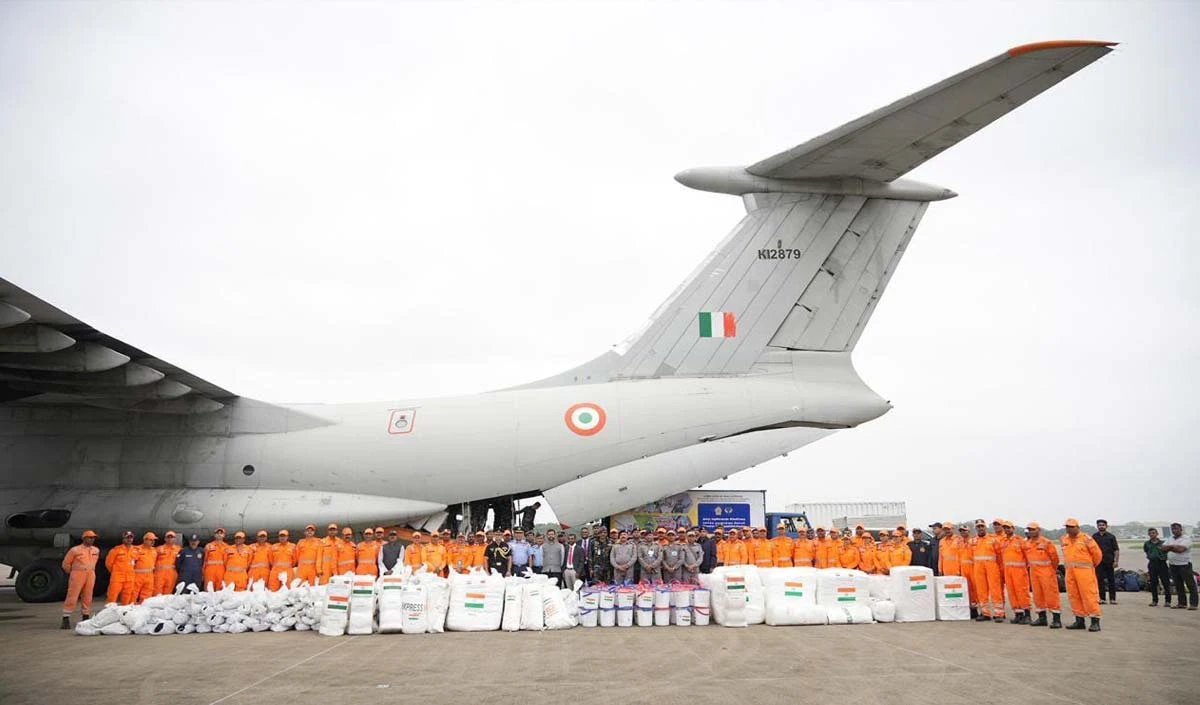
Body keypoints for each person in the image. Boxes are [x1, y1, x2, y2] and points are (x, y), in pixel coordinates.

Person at [1061, 518, 1103, 630]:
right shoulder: (1064, 539)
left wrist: (1089, 566)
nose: (1068, 529)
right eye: (1067, 527)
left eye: (1071, 527)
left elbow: (1097, 555)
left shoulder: (1086, 539)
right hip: (1070, 572)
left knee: (1089, 595)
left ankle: (1095, 621)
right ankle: (1079, 620)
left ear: (1077, 527)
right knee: (1074, 595)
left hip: (1084, 572)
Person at [1023, 522, 1062, 628]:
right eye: (1029, 530)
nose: (1031, 531)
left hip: (1046, 572)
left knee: (1051, 595)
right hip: (1034, 572)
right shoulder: (1027, 543)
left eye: (1033, 529)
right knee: (1037, 595)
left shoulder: (1046, 542)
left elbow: (1055, 559)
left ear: (1038, 530)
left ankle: (1056, 619)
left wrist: (1051, 569)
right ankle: (1042, 617)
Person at [60, 530, 100, 628]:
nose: (92, 539)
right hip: (78, 574)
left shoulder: (95, 550)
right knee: (72, 595)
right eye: (90, 537)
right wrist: (72, 572)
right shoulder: (75, 550)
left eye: (93, 538)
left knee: (88, 595)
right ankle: (66, 617)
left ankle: (86, 616)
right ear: (84, 538)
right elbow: (66, 564)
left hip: (90, 573)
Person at [970, 520, 1004, 622]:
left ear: (985, 527)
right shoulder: (973, 541)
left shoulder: (993, 540)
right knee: (981, 591)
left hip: (992, 567)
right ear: (975, 528)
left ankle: (999, 613)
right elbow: (971, 555)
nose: (980, 528)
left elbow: (999, 555)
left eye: (982, 526)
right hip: (978, 568)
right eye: (978, 526)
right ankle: (985, 613)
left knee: (995, 590)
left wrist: (999, 568)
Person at [999, 520, 1032, 624]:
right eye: (1005, 528)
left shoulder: (1020, 540)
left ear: (1013, 528)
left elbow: (1027, 555)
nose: (1007, 530)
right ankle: (1018, 614)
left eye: (1008, 528)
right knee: (1012, 593)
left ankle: (1027, 615)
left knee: (1022, 592)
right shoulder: (1003, 541)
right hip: (1008, 571)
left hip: (1019, 571)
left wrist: (1025, 568)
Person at [1162, 522, 1197, 610]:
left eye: (1176, 529)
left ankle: (1193, 604)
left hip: (1184, 565)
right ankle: (1182, 603)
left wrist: (1170, 547)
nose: (1174, 531)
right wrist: (1174, 546)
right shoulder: (1170, 538)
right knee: (1178, 585)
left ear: (1181, 529)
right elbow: (1162, 548)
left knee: (1190, 585)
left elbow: (1181, 550)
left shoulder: (1186, 538)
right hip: (1173, 565)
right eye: (1173, 529)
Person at [1092, 519, 1120, 604]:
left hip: (1109, 561)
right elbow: (1091, 550)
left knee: (1111, 580)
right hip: (1099, 562)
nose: (1101, 526)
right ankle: (1102, 598)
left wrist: (1116, 561)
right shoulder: (1094, 537)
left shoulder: (1111, 536)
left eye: (1103, 525)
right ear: (1097, 526)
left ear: (1106, 526)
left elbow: (1116, 550)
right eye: (1099, 525)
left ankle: (1112, 599)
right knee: (1100, 580)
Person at [1143, 527, 1172, 607]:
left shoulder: (1163, 543)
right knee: (1153, 583)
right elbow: (1146, 550)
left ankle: (1168, 601)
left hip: (1162, 563)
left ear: (1157, 534)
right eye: (1150, 533)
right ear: (1148, 534)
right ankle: (1154, 600)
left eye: (1153, 533)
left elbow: (1167, 551)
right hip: (1152, 564)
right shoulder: (1147, 544)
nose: (1152, 534)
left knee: (1165, 582)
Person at [132, 532, 158, 603]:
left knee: (147, 594)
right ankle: (130, 608)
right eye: (151, 540)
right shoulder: (137, 549)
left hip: (149, 575)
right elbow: (131, 563)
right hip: (138, 575)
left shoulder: (154, 550)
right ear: (145, 540)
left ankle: (143, 609)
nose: (153, 542)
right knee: (133, 593)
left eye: (154, 540)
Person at [153, 531, 181, 597]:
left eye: (172, 537)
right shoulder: (159, 549)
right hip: (159, 574)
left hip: (172, 575)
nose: (170, 539)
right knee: (157, 593)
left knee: (167, 595)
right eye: (168, 537)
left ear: (175, 539)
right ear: (165, 539)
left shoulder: (179, 549)